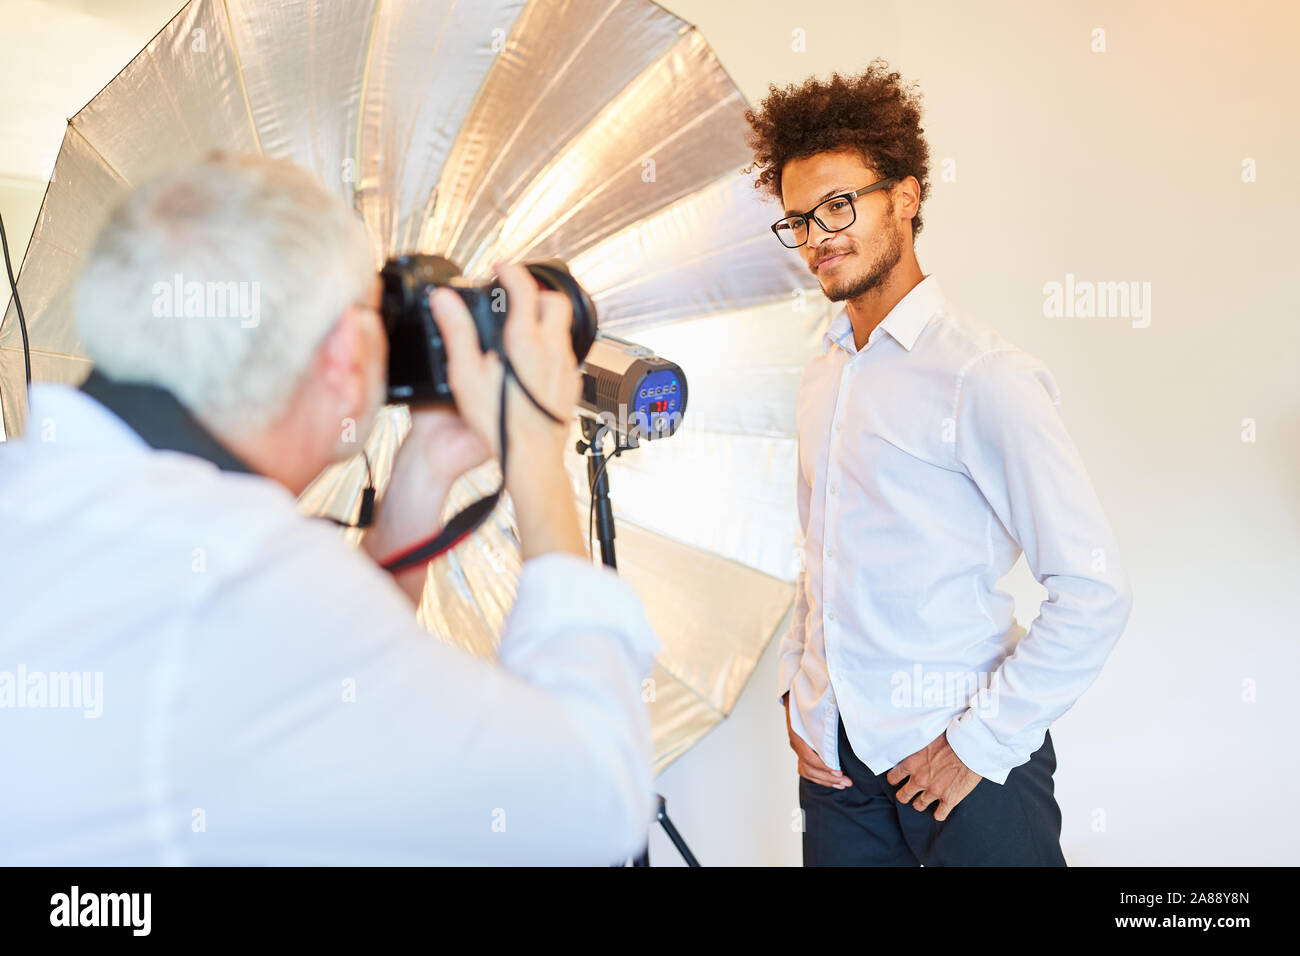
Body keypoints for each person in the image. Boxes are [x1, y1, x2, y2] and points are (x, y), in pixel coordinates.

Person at [0, 153, 659, 865]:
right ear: (345, 355)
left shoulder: (46, 492)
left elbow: (332, 686)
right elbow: (594, 802)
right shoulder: (248, 578)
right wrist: (535, 453)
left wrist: (425, 466)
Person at [744, 61, 1133, 866]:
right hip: (837, 774)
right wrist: (798, 692)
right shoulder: (823, 373)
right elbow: (818, 558)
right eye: (798, 220)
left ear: (907, 198)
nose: (818, 236)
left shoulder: (982, 375)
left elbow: (1093, 589)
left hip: (967, 768)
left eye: (840, 205)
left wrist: (978, 746)